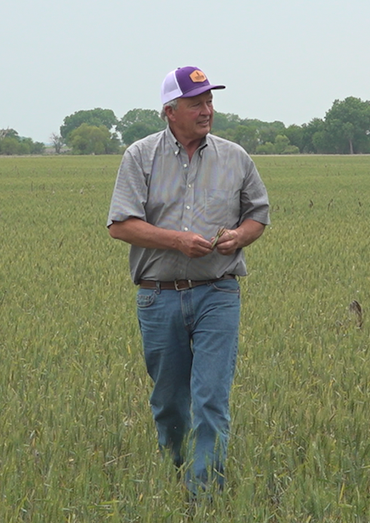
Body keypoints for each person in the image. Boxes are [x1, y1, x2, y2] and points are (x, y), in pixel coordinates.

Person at [107, 66, 270, 495]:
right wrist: (177, 241)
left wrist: (240, 236)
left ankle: (204, 494)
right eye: (196, 103)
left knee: (211, 396)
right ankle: (174, 472)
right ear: (170, 111)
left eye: (210, 101)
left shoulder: (235, 157)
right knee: (170, 401)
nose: (207, 110)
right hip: (158, 296)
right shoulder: (140, 156)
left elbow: (258, 214)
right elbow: (120, 225)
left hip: (218, 291)